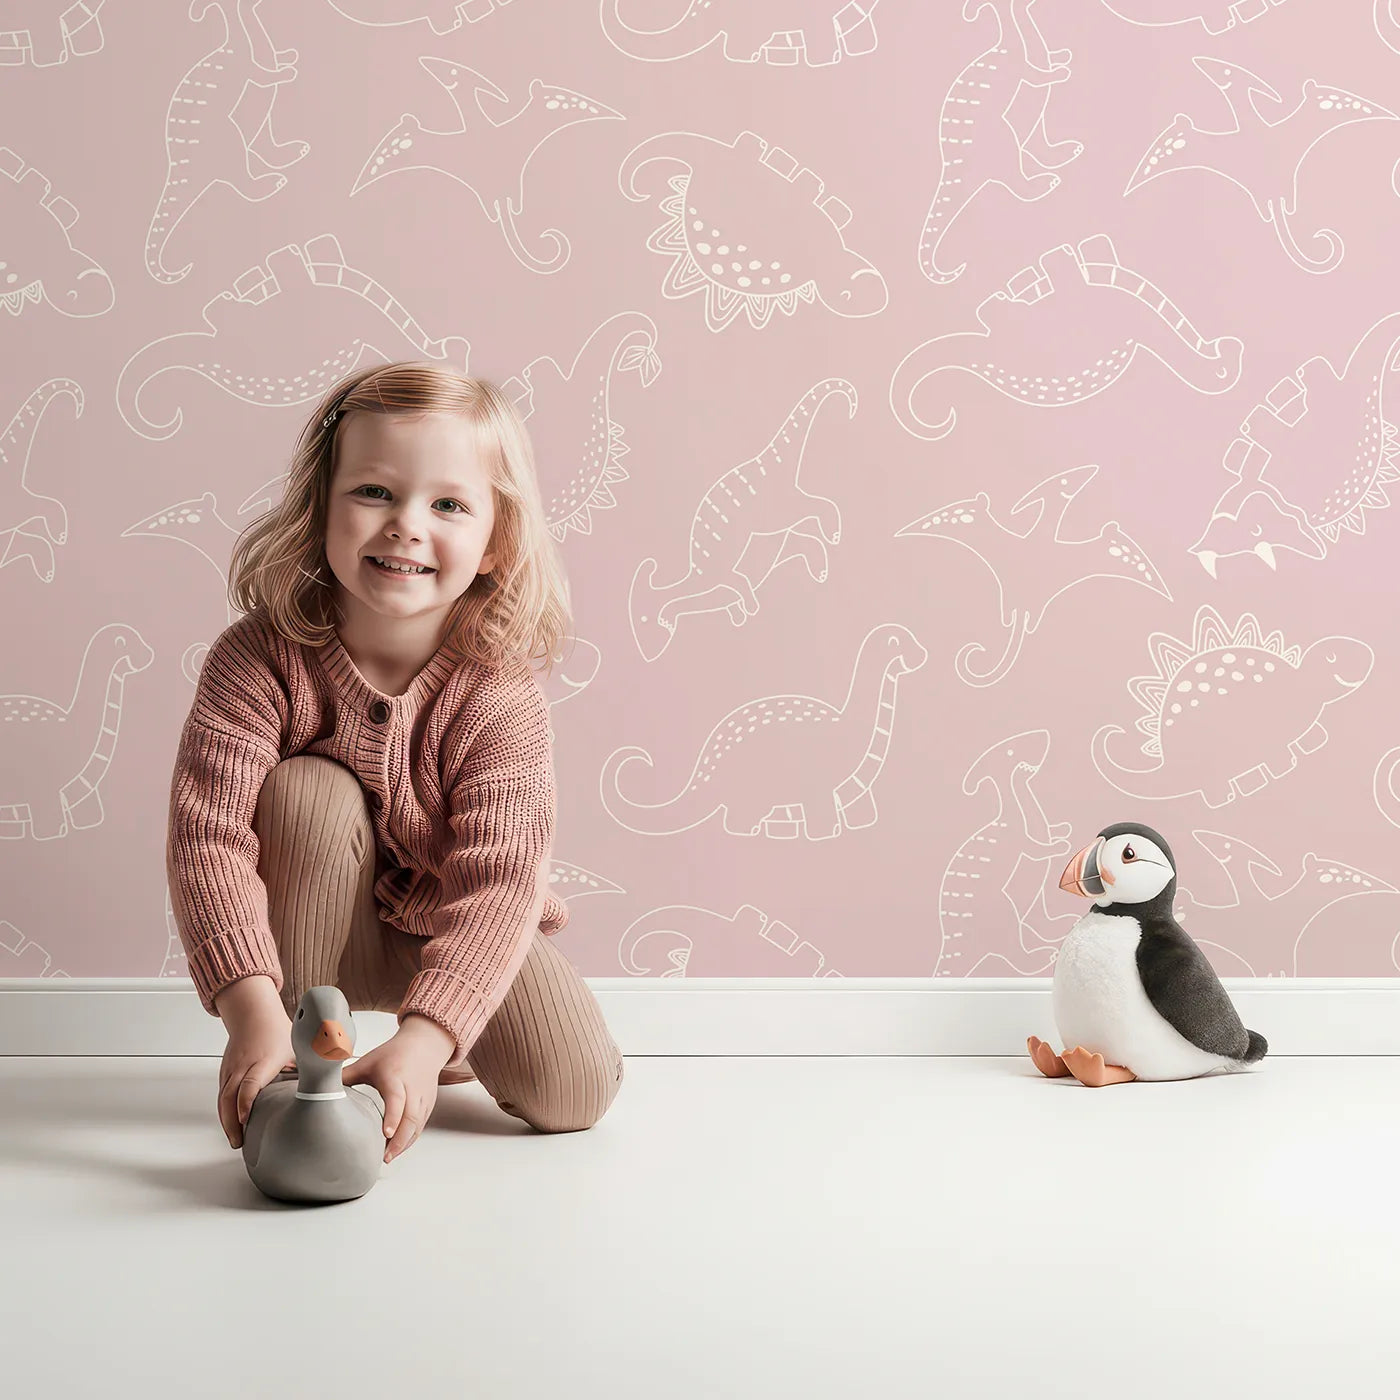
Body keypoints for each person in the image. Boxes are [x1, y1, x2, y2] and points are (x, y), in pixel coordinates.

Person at [166, 362, 624, 1167]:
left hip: (447, 928)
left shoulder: (497, 693)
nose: (407, 525)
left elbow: (501, 880)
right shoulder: (257, 659)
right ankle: (302, 1065)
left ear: (495, 542)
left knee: (575, 1092)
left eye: (448, 504)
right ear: (320, 511)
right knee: (309, 790)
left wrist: (429, 1033)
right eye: (374, 492)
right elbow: (208, 837)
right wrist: (252, 1011)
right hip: (314, 920)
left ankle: (434, 1046)